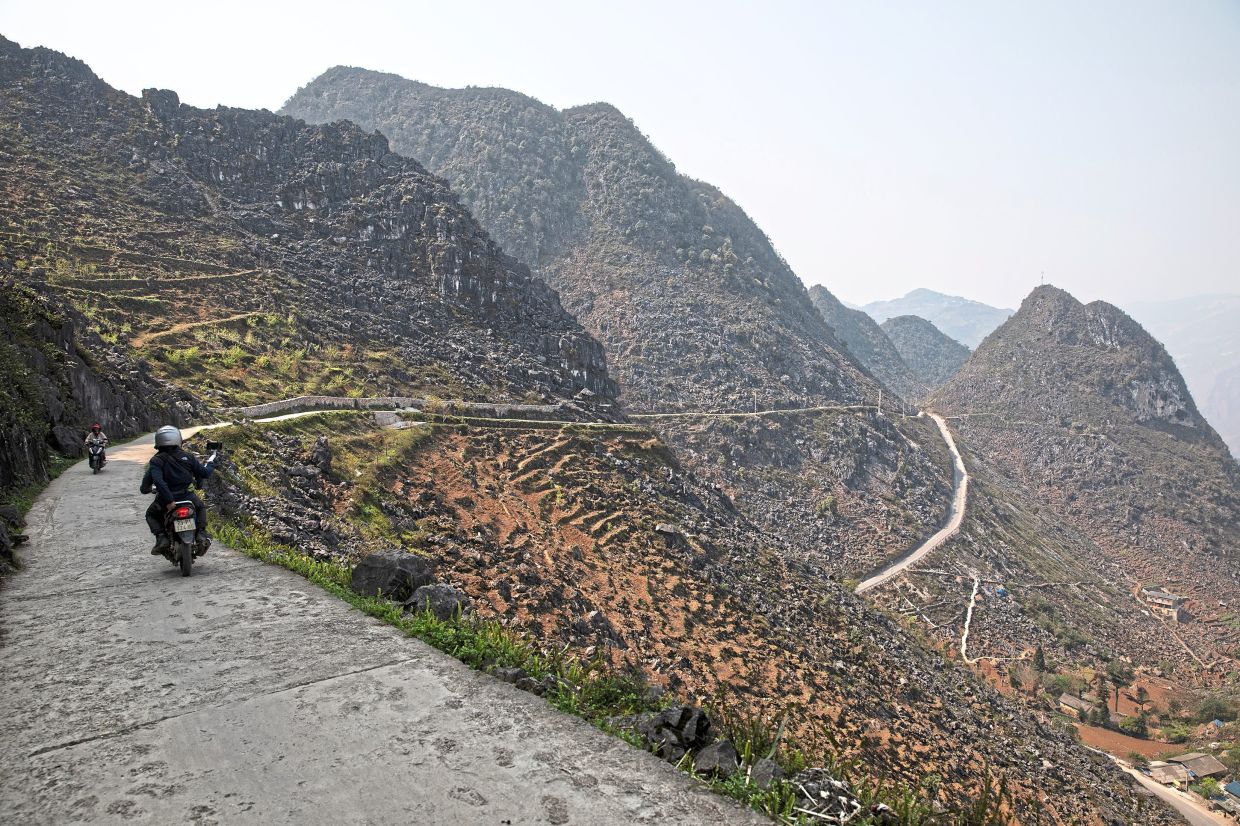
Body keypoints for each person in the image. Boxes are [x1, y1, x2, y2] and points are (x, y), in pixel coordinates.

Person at [140, 425, 216, 555]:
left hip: (165, 501)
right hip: (187, 496)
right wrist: (210, 463)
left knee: (151, 515)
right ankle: (201, 534)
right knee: (200, 508)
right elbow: (204, 473)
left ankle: (161, 537)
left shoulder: (156, 461)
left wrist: (168, 500)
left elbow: (157, 482)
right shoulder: (188, 457)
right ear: (177, 439)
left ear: (159, 442)